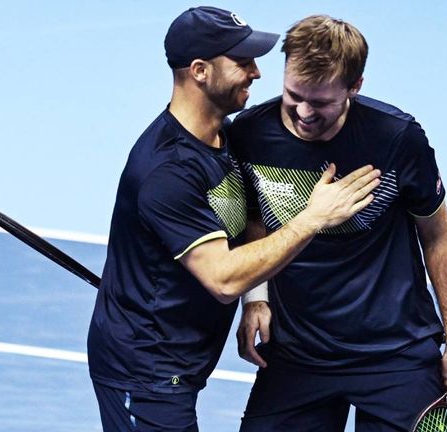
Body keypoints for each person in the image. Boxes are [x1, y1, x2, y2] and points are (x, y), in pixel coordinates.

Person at [86, 7, 381, 432]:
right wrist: (313, 218)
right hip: (144, 370)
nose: (257, 73)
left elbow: (244, 224)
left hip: (179, 360)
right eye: (242, 62)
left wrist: (257, 298)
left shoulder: (224, 136)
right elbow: (223, 279)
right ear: (201, 71)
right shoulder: (166, 171)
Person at [229, 15, 447, 431]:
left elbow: (438, 236)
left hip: (395, 353)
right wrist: (256, 296)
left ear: (355, 86)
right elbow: (254, 214)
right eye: (294, 95)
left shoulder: (395, 137)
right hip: (297, 353)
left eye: (321, 103)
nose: (304, 113)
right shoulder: (251, 133)